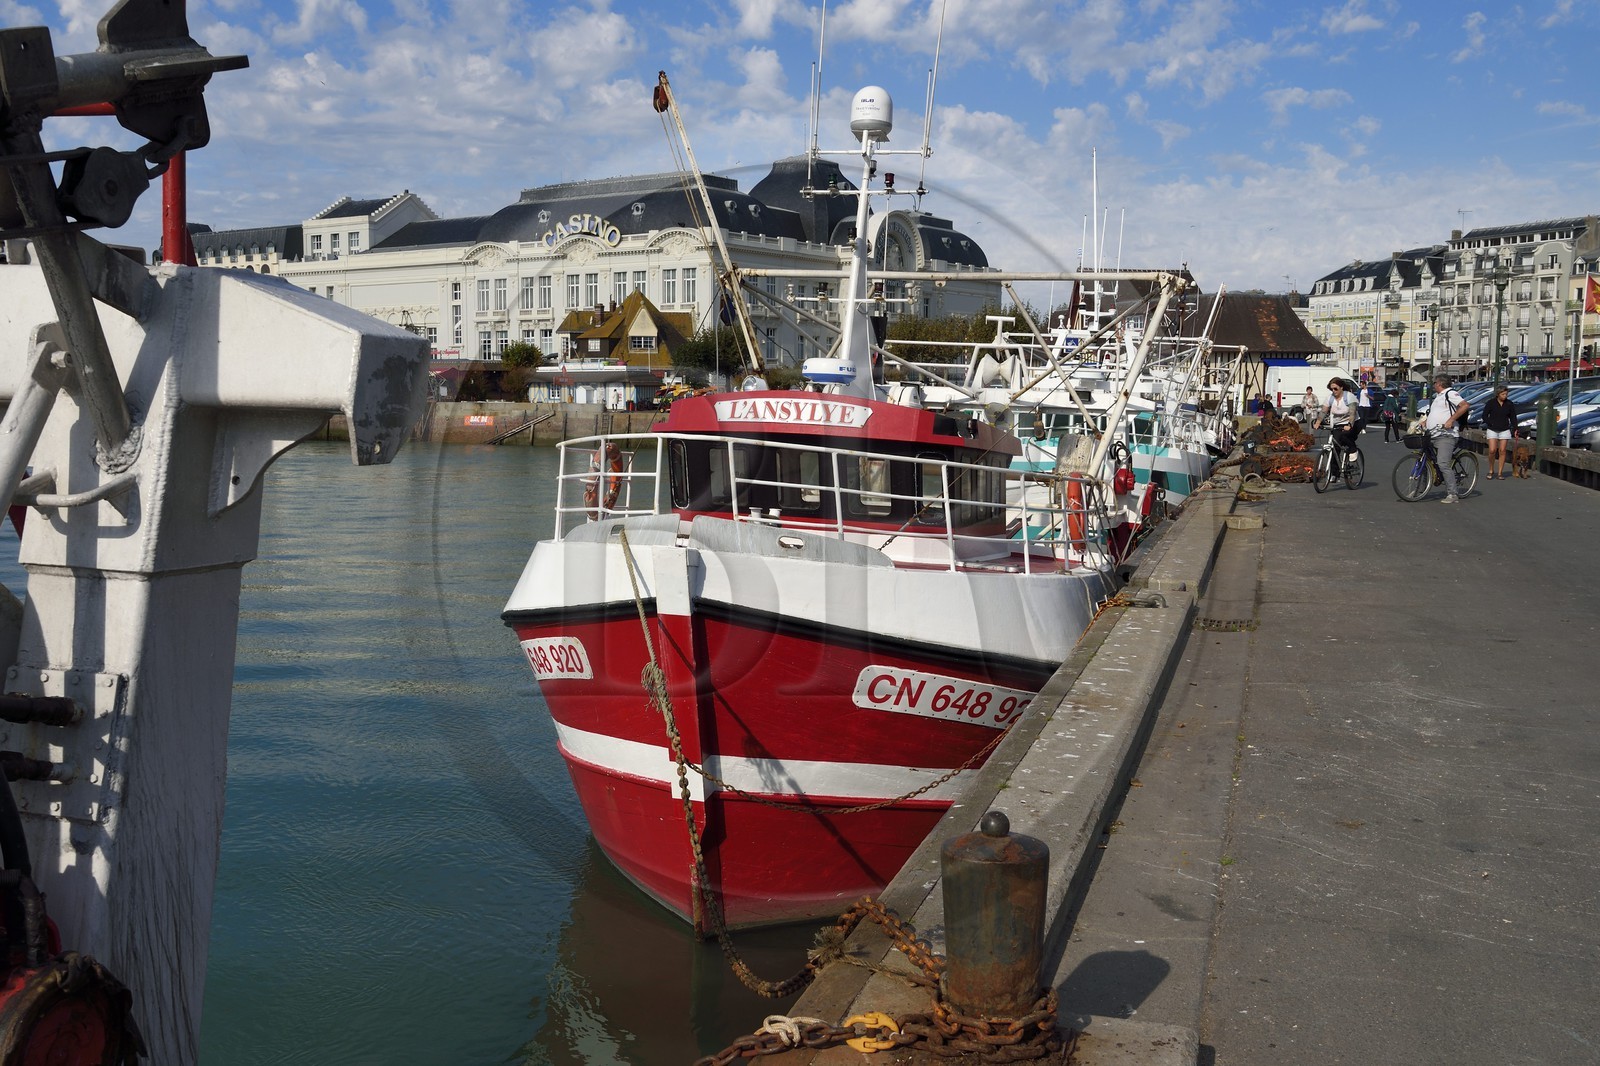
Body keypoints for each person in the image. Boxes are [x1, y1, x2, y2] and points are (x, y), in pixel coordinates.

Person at [1420, 374, 1469, 503]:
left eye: (1435, 382)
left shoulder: (1450, 393)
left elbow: (1465, 405)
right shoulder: (1438, 397)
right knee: (1423, 460)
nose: (1433, 385)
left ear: (1440, 383)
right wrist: (1426, 421)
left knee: (1443, 463)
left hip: (1446, 435)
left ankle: (1453, 494)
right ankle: (1421, 489)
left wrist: (1451, 420)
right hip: (1433, 433)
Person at [1313, 378, 1361, 464]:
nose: (1333, 391)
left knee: (1344, 436)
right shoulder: (1330, 398)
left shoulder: (1349, 396)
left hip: (1353, 423)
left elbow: (1352, 413)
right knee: (1335, 448)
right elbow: (1324, 411)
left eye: (1336, 388)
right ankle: (1335, 475)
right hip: (1338, 424)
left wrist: (1350, 425)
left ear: (1341, 387)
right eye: (1332, 389)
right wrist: (1317, 422)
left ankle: (1353, 449)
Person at [1480, 383, 1518, 479]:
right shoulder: (1491, 403)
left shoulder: (1509, 404)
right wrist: (1490, 423)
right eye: (1503, 394)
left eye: (1506, 394)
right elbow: (1484, 415)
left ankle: (1500, 472)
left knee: (1502, 450)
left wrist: (1515, 428)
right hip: (1493, 429)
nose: (1505, 396)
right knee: (1492, 450)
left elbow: (1513, 417)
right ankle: (1491, 469)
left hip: (1504, 429)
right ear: (1498, 394)